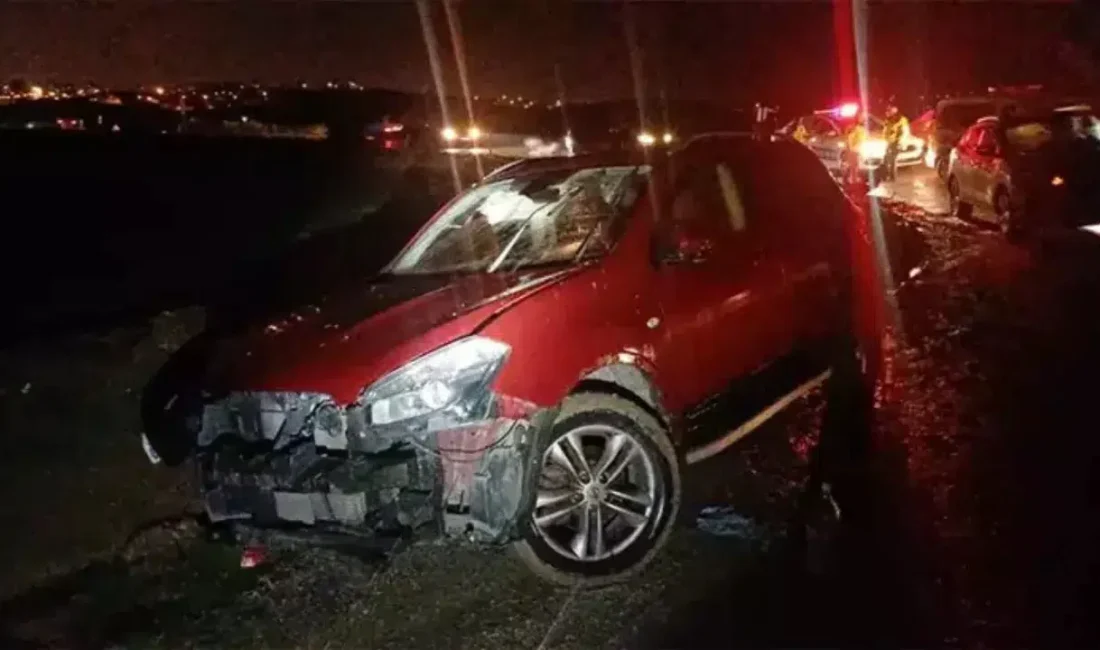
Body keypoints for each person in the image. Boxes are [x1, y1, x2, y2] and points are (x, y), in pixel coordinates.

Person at [882, 103, 909, 183]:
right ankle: (887, 175)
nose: (887, 113)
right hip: (889, 142)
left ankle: (892, 176)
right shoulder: (888, 120)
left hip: (896, 142)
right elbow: (886, 130)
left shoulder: (901, 120)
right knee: (886, 159)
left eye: (889, 111)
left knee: (893, 160)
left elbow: (904, 132)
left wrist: (900, 142)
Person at [844, 111, 868, 185]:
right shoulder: (853, 127)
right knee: (853, 166)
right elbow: (849, 138)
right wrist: (851, 148)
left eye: (864, 117)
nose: (864, 119)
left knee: (855, 166)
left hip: (858, 149)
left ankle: (853, 179)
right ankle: (852, 180)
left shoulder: (861, 127)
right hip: (854, 149)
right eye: (861, 117)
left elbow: (863, 138)